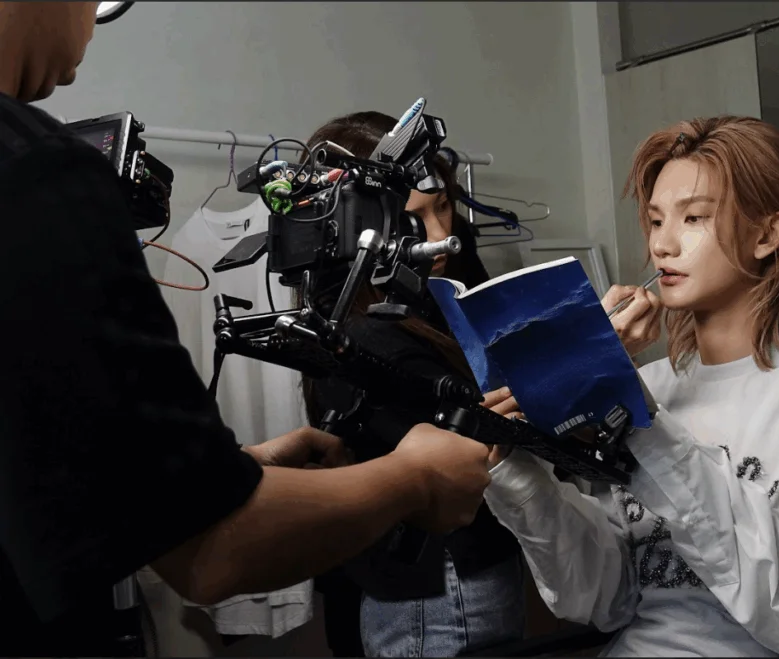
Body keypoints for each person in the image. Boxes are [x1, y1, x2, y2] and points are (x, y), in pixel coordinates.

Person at [0, 3, 493, 655]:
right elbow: (210, 550)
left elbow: (39, 471)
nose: (94, 20)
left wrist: (226, 471)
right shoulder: (33, 171)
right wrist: (416, 478)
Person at [482, 116, 779, 657]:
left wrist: (644, 425)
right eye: (655, 220)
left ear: (767, 234)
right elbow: (607, 599)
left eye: (694, 218)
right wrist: (519, 473)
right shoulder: (649, 385)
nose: (662, 245)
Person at [298, 113, 525, 658]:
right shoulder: (362, 335)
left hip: (466, 570)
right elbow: (483, 442)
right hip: (442, 585)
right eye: (413, 219)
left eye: (443, 207)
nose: (442, 235)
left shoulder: (438, 294)